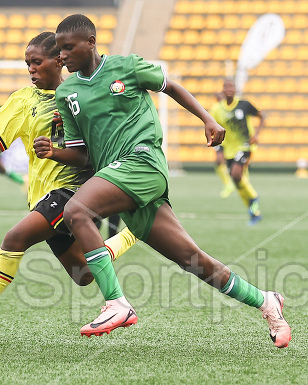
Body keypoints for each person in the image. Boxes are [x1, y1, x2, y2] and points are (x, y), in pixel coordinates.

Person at [33, 14, 290, 348]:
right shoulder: (67, 93)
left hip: (143, 163)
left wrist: (208, 119)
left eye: (68, 48)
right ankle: (267, 302)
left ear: (91, 43)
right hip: (117, 177)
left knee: (76, 212)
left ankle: (116, 302)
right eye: (60, 50)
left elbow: (171, 87)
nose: (62, 55)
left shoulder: (127, 67)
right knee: (193, 260)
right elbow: (82, 155)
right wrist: (54, 152)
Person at [0, 32, 138, 346]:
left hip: (75, 191)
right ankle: (132, 234)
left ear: (59, 60)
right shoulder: (22, 100)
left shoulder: (79, 94)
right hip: (43, 197)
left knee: (14, 238)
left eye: (36, 62)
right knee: (83, 274)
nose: (30, 68)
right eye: (27, 63)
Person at [210, 79, 265, 225]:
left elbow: (262, 116)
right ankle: (254, 209)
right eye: (226, 86)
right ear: (222, 90)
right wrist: (218, 149)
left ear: (235, 90)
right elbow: (213, 130)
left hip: (245, 146)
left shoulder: (244, 104)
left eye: (232, 86)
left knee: (236, 174)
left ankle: (253, 199)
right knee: (237, 180)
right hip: (229, 150)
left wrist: (257, 134)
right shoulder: (216, 109)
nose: (229, 89)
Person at [211, 91, 235, 199]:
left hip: (232, 141)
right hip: (221, 139)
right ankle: (228, 184)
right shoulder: (215, 109)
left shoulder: (231, 109)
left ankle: (234, 182)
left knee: (233, 163)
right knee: (219, 160)